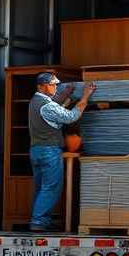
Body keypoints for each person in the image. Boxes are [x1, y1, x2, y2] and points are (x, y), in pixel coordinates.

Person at [28, 73, 96, 232]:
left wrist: (67, 93)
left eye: (56, 85)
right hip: (49, 150)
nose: (56, 88)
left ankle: (41, 220)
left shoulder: (35, 101)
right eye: (52, 85)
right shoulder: (47, 106)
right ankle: (38, 222)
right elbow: (71, 116)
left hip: (36, 150)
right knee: (51, 188)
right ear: (42, 86)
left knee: (41, 188)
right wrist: (85, 96)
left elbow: (53, 105)